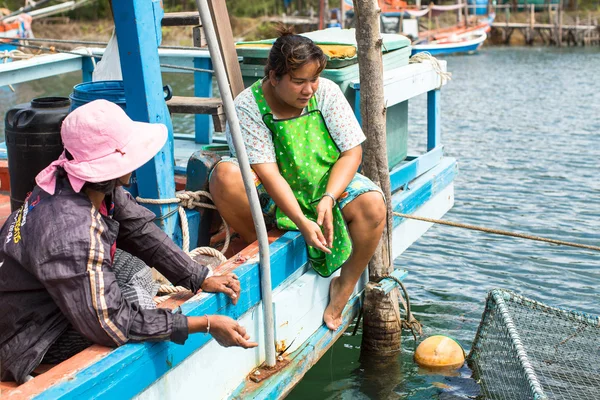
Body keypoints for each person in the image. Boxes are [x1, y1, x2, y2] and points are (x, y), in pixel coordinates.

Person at [0, 100, 257, 385]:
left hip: (41, 296)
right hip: (30, 336)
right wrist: (204, 324)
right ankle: (48, 367)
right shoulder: (71, 231)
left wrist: (199, 276)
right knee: (135, 303)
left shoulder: (82, 183)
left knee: (135, 273)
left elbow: (139, 229)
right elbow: (113, 324)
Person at [210, 30, 386, 331]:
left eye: (313, 79)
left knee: (373, 205)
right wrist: (302, 223)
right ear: (274, 76)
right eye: (299, 81)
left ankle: (343, 286)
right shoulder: (247, 107)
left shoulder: (327, 93)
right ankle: (268, 242)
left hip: (323, 183)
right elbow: (268, 172)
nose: (308, 90)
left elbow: (352, 153)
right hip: (273, 189)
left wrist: (329, 198)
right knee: (224, 176)